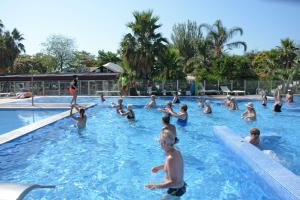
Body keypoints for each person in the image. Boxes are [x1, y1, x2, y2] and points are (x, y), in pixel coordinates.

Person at [145, 129, 186, 198]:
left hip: (175, 190)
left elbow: (173, 182)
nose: (159, 142)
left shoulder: (170, 158)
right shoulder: (176, 151)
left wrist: (155, 186)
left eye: (159, 141)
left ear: (163, 143)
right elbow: (173, 166)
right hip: (180, 187)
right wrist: (159, 167)